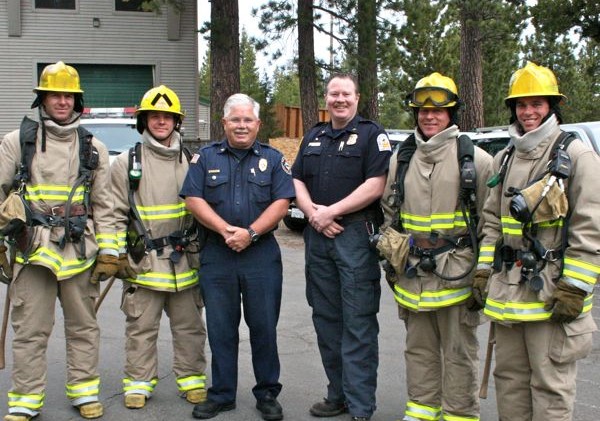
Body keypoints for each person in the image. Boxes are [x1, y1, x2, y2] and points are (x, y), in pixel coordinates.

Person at [472, 61, 599, 420]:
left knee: (550, 386)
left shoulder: (577, 156)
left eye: (537, 104)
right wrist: (483, 270)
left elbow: (590, 229)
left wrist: (574, 287)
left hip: (552, 294)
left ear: (551, 106)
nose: (528, 112)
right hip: (508, 293)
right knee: (509, 381)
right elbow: (492, 223)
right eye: (521, 105)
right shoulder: (505, 157)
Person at [0, 61, 118, 420]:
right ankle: (25, 401)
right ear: (42, 99)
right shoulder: (18, 141)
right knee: (30, 330)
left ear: (77, 101)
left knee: (84, 327)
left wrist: (111, 250)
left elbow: (106, 203)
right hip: (32, 250)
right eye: (55, 94)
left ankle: (84, 394)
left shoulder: (93, 146)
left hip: (79, 250)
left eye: (69, 95)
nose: (62, 101)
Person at [379, 72, 493, 421]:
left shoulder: (476, 160)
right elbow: (390, 212)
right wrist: (391, 257)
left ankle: (459, 413)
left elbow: (491, 223)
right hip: (413, 275)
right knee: (419, 350)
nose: (429, 117)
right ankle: (422, 410)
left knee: (459, 352)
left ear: (451, 113)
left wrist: (483, 273)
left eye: (437, 111)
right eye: (422, 111)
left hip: (457, 275)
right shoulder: (401, 158)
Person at [181, 93, 294, 421]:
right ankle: (222, 394)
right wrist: (225, 230)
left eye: (248, 120)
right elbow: (193, 198)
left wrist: (251, 233)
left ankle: (267, 393)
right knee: (220, 327)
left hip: (261, 256)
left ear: (257, 124)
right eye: (235, 119)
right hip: (217, 254)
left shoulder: (274, 160)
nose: (241, 126)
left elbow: (282, 202)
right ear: (224, 123)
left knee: (264, 327)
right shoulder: (205, 158)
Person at [291, 73, 392, 421]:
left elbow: (376, 184)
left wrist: (330, 212)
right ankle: (338, 395)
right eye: (334, 94)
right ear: (326, 98)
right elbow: (297, 179)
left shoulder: (371, 135)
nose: (339, 100)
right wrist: (312, 214)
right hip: (318, 236)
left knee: (358, 321)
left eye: (346, 94)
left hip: (354, 234)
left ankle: (361, 405)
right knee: (327, 319)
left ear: (357, 97)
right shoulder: (315, 135)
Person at [109, 85, 208, 410]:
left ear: (176, 122)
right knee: (141, 328)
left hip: (184, 261)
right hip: (143, 262)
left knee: (190, 328)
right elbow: (112, 211)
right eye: (155, 116)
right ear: (144, 121)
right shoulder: (126, 163)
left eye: (168, 116)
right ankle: (138, 383)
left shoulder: (194, 162)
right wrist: (113, 254)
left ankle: (192, 380)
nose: (161, 121)